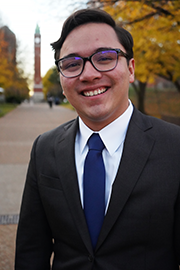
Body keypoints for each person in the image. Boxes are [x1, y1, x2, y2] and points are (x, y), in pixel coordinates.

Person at [15, 8, 180, 270]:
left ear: (131, 69)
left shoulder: (175, 147)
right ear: (61, 79)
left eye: (105, 58)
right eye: (71, 64)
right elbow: (31, 251)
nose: (88, 74)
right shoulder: (44, 149)